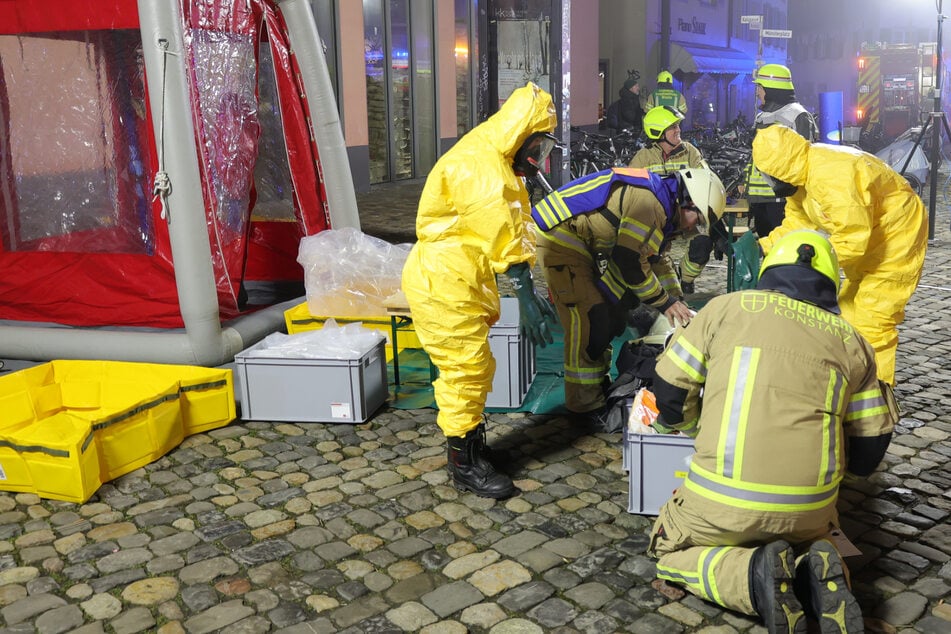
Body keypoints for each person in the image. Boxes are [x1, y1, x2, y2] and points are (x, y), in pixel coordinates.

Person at [647, 230, 897, 634]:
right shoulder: (854, 342)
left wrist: (694, 428)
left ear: (769, 271)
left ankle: (751, 576)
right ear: (831, 285)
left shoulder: (725, 309)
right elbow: (869, 452)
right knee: (812, 541)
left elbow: (671, 391)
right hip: (809, 511)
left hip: (718, 501)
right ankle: (810, 566)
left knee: (668, 549)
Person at [401, 82, 558, 499]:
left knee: (475, 367)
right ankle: (464, 464)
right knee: (464, 370)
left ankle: (470, 444)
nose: (539, 159)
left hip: (460, 276)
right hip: (444, 281)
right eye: (539, 146)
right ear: (522, 133)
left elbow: (515, 223)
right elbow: (501, 228)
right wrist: (524, 294)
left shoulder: (496, 160)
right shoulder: (480, 164)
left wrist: (528, 289)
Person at [531, 166, 725, 425]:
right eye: (697, 220)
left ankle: (597, 388)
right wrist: (664, 303)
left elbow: (658, 259)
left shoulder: (665, 207)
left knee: (611, 316)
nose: (693, 229)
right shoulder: (650, 205)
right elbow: (629, 261)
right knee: (589, 318)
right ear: (687, 201)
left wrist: (676, 297)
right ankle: (583, 408)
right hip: (559, 236)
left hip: (581, 238)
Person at [753, 123, 928, 386]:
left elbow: (853, 239)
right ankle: (850, 384)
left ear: (780, 171)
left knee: (873, 321)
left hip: (897, 236)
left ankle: (876, 405)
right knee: (846, 314)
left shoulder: (831, 176)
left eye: (770, 177)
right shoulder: (801, 177)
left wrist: (809, 267)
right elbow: (797, 225)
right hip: (874, 238)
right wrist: (764, 246)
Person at [629, 106, 717, 294]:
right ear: (658, 132)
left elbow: (706, 179)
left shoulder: (690, 152)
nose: (678, 130)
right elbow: (631, 192)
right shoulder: (643, 157)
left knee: (703, 243)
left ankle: (686, 278)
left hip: (687, 215)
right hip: (657, 222)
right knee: (654, 257)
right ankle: (664, 292)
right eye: (672, 127)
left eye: (678, 125)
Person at [743, 63, 818, 237]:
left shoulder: (798, 115)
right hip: (760, 196)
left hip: (785, 198)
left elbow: (805, 157)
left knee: (786, 246)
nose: (757, 92)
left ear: (771, 88)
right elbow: (755, 156)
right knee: (767, 246)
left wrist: (787, 187)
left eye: (760, 87)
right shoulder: (761, 116)